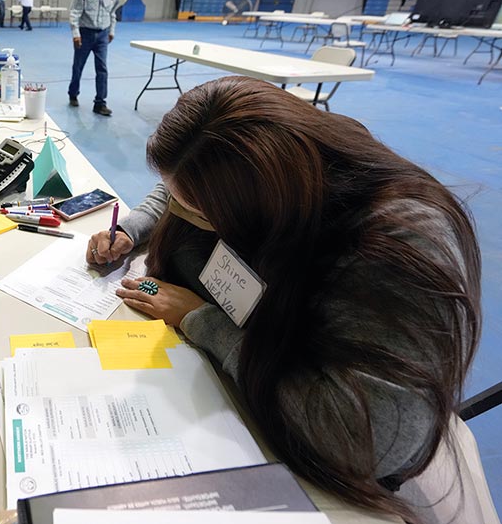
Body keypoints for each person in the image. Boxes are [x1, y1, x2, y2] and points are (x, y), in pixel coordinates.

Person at [87, 76, 481, 523]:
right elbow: (179, 187)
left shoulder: (395, 247)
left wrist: (201, 321)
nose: (182, 213)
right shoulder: (279, 164)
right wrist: (133, 228)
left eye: (200, 211)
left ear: (253, 203)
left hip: (336, 458)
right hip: (248, 370)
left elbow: (364, 443)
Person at [68, 0, 121, 117]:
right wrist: (75, 33)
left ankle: (100, 103)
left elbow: (113, 10)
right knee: (78, 66)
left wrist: (111, 30)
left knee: (102, 69)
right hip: (85, 33)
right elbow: (75, 10)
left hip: (103, 33)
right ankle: (73, 93)